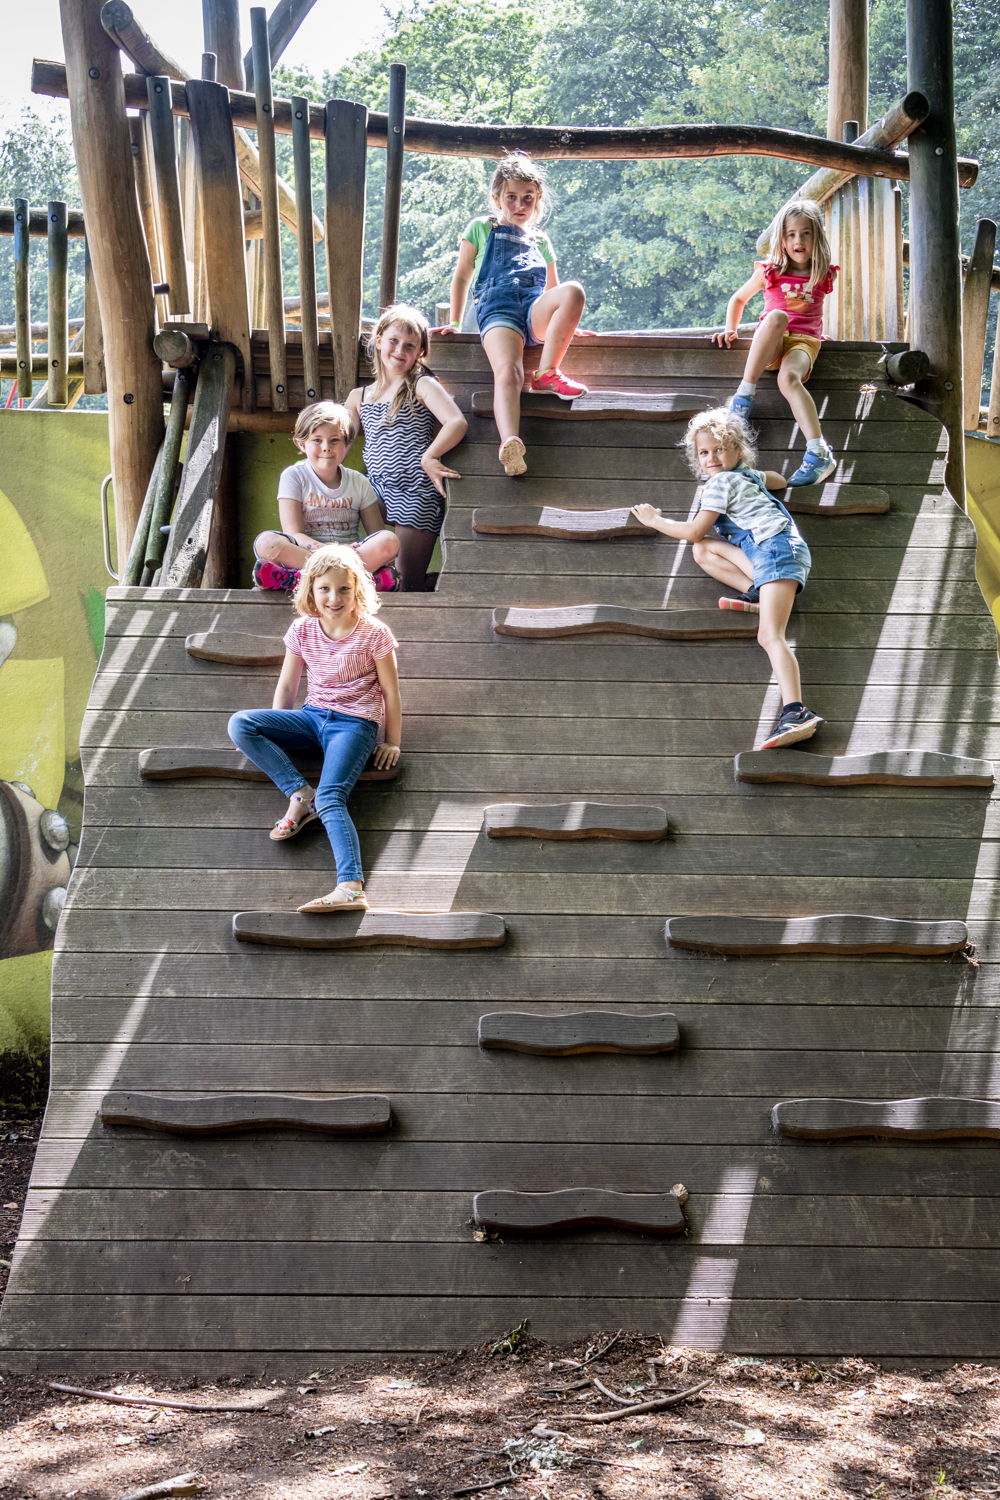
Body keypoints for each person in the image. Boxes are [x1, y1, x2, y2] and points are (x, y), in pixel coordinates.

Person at [631, 407, 823, 751]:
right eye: (704, 452)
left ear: (738, 450)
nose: (712, 458)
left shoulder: (719, 485)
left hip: (775, 552)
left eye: (720, 449)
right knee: (704, 551)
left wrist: (654, 520)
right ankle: (755, 593)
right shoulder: (749, 476)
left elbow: (692, 530)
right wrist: (788, 480)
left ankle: (797, 710)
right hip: (778, 552)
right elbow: (775, 479)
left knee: (770, 636)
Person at [228, 544, 401, 912]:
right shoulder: (303, 630)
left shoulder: (375, 634)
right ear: (311, 591)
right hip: (312, 717)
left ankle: (351, 887)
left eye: (342, 589)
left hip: (355, 725)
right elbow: (288, 686)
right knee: (241, 723)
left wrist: (393, 742)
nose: (333, 598)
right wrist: (278, 727)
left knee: (331, 796)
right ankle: (298, 794)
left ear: (357, 590)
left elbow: (391, 692)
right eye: (324, 589)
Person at [440, 150, 588, 477]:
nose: (520, 205)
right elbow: (463, 275)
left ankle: (548, 372)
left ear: (538, 200)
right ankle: (510, 443)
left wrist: (567, 327)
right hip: (498, 309)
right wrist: (453, 321)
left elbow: (554, 291)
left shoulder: (541, 240)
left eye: (528, 198)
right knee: (509, 371)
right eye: (511, 198)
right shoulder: (482, 227)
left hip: (533, 309)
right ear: (496, 198)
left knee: (574, 291)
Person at [713, 199, 838, 486]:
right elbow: (738, 298)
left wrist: (821, 333)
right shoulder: (771, 270)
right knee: (777, 316)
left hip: (804, 343)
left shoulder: (823, 273)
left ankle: (819, 452)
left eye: (806, 233)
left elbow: (814, 313)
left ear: (816, 236)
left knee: (789, 379)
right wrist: (730, 329)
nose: (798, 240)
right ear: (781, 239)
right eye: (791, 234)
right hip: (772, 342)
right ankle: (743, 398)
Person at [345, 304, 467, 592]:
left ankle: (433, 588)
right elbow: (341, 439)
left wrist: (431, 456)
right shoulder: (358, 396)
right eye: (393, 341)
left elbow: (456, 422)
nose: (400, 350)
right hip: (374, 492)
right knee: (374, 578)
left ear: (419, 353)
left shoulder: (421, 385)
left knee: (406, 583)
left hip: (415, 490)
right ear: (378, 340)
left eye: (410, 346)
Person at [252, 401, 399, 593]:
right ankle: (357, 581)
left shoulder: (359, 482)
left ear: (346, 443)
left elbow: (376, 534)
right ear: (301, 443)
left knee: (389, 540)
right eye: (317, 440)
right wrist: (323, 549)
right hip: (306, 554)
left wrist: (344, 552)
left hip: (350, 553)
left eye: (335, 440)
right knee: (266, 543)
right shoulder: (294, 476)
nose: (326, 447)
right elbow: (294, 533)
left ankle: (300, 581)